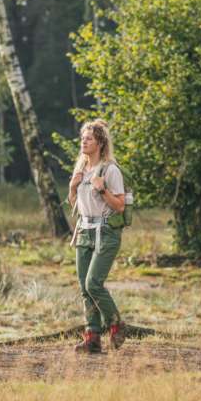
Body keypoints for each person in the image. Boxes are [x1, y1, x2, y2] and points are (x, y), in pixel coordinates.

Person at [68, 119, 127, 354]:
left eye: (89, 138)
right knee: (84, 286)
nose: (84, 141)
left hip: (106, 232)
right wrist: (73, 188)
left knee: (94, 283)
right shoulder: (81, 169)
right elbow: (76, 205)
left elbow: (120, 205)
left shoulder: (110, 169)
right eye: (83, 138)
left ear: (100, 143)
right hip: (84, 231)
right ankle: (92, 337)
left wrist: (102, 189)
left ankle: (115, 323)